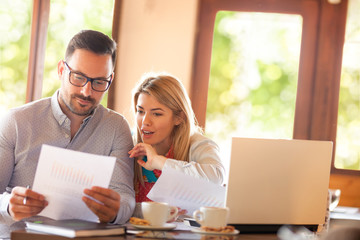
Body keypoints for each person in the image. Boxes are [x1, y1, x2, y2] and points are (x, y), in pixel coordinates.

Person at [0, 30, 135, 237]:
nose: (86, 92)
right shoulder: (16, 122)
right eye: (78, 77)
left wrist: (116, 211)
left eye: (99, 82)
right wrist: (9, 204)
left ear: (111, 79)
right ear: (62, 69)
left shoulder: (116, 128)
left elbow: (125, 196)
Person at [128, 72, 225, 217]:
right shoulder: (129, 145)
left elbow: (216, 178)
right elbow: (120, 204)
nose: (145, 121)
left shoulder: (198, 144)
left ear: (179, 117)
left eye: (157, 114)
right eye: (140, 111)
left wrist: (159, 162)